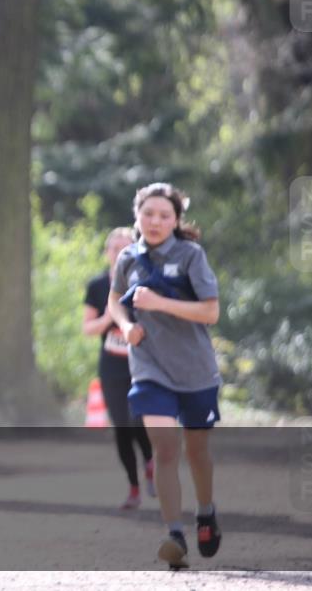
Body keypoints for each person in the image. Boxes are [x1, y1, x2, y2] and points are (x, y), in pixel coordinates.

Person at [107, 182, 223, 570]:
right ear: (137, 216)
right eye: (148, 214)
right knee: (165, 450)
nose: (155, 221)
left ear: (176, 220)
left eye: (164, 215)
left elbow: (210, 312)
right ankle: (174, 535)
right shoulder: (128, 258)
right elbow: (114, 299)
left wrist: (159, 303)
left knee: (197, 451)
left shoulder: (191, 255)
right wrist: (124, 326)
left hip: (195, 370)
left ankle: (205, 513)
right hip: (150, 368)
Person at [83, 227, 155, 510]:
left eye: (127, 248)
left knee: (138, 420)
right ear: (107, 253)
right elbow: (87, 328)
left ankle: (151, 462)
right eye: (115, 249)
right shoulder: (97, 286)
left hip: (143, 363)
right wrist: (109, 318)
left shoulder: (146, 282)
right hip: (111, 366)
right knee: (121, 427)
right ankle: (133, 486)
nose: (120, 253)